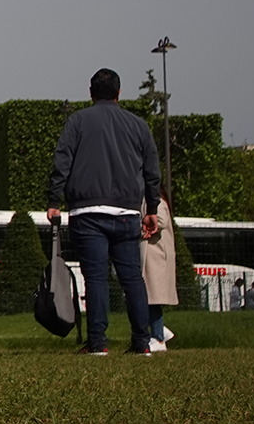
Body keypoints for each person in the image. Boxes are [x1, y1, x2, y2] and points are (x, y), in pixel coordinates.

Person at [46, 68, 161, 356]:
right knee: (132, 277)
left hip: (88, 211)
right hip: (127, 211)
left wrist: (54, 200)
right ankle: (141, 342)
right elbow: (151, 171)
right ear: (119, 93)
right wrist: (152, 208)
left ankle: (98, 343)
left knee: (95, 277)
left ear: (90, 92)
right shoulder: (138, 125)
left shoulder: (77, 121)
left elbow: (63, 162)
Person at [143, 191, 176, 351]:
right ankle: (159, 331)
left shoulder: (157, 201)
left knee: (151, 299)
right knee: (147, 298)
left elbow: (160, 222)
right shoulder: (152, 200)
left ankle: (158, 337)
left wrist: (139, 227)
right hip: (151, 257)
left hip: (155, 257)